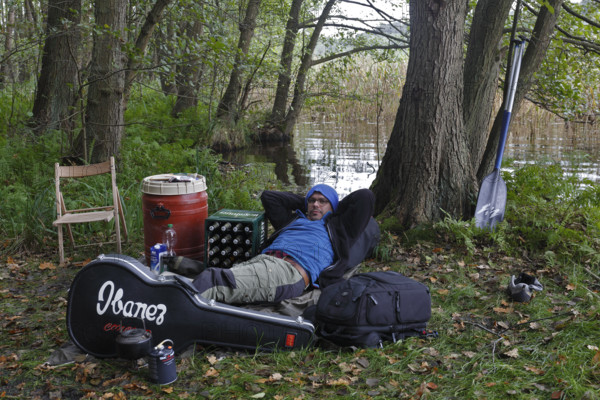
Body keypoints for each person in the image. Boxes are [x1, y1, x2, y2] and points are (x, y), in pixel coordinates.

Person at [192, 184, 379, 305]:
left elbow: (365, 197)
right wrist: (306, 203)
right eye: (312, 200)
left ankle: (171, 317)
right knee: (213, 280)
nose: (316, 205)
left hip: (288, 271)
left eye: (323, 202)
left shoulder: (339, 229)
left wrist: (335, 206)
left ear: (333, 207)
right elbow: (269, 197)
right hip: (263, 261)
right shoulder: (292, 220)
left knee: (213, 280)